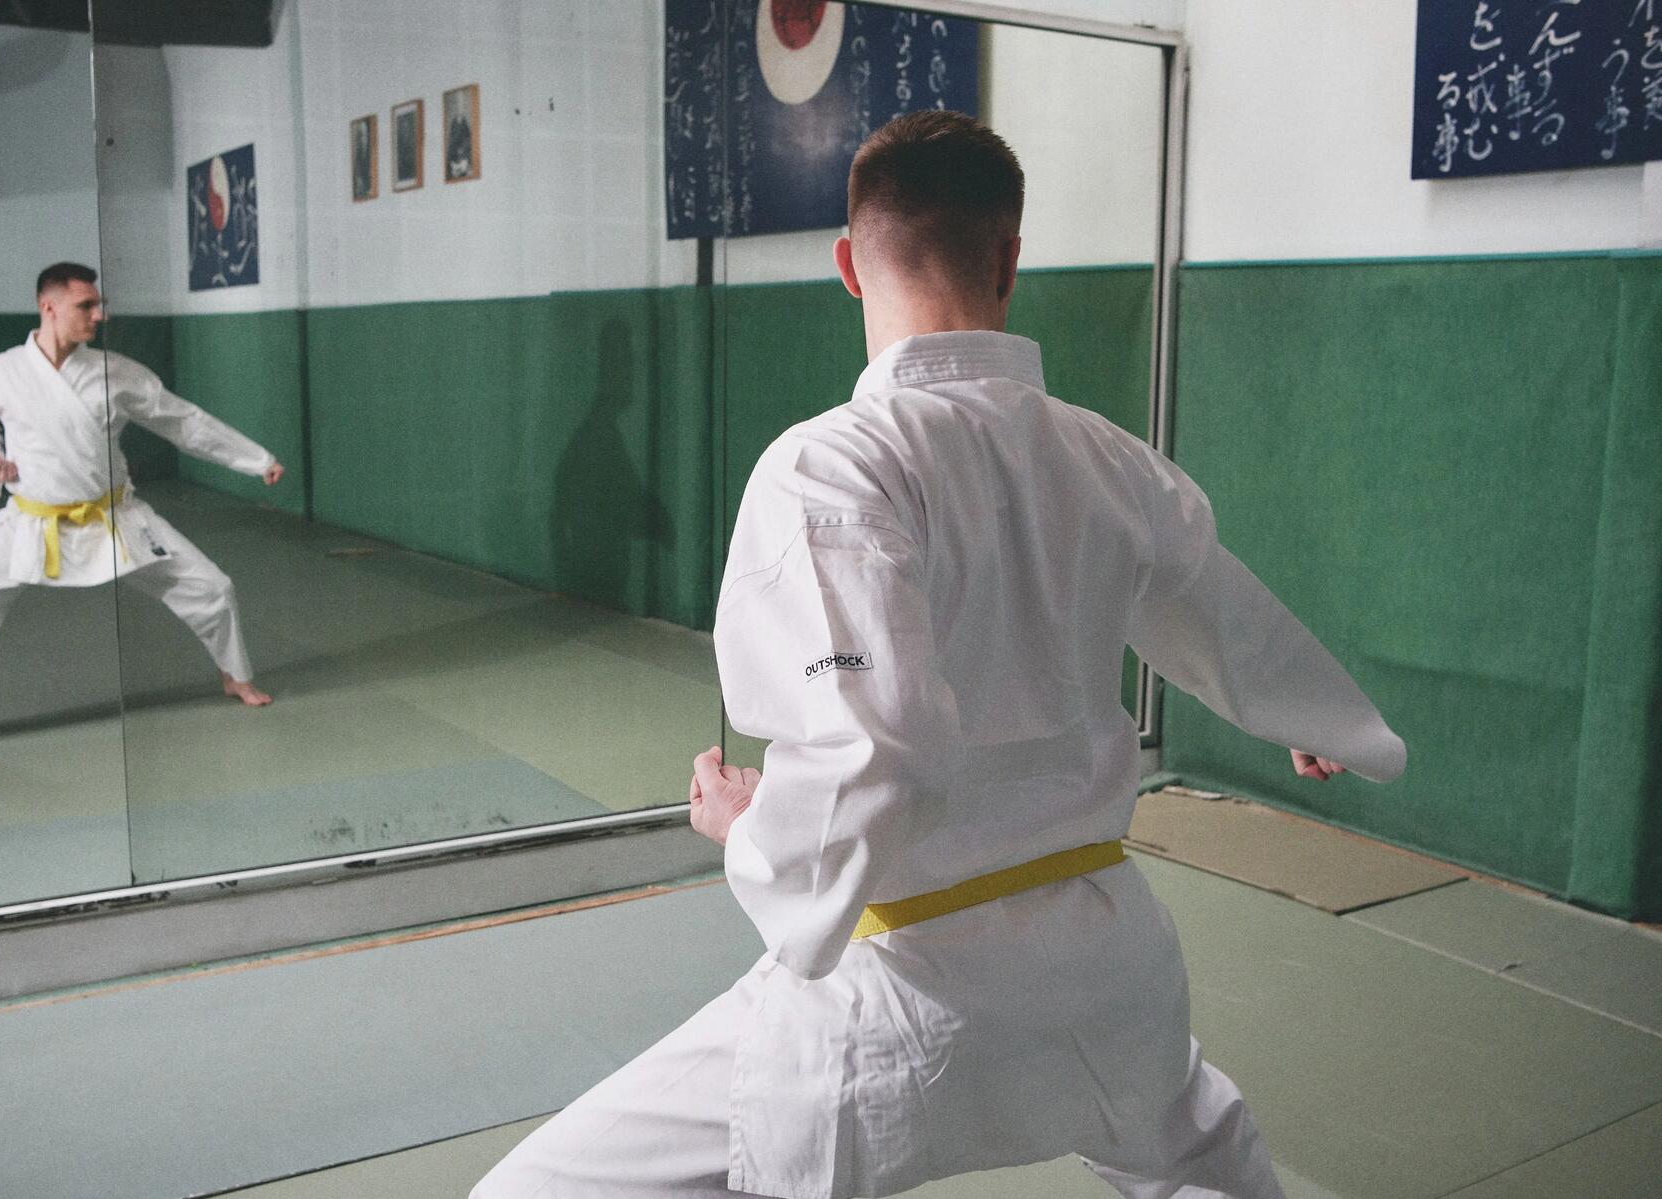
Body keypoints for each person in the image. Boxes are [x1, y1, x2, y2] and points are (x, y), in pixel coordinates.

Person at [472, 111, 1405, 1198]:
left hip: (903, 991)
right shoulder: (1112, 457)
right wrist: (1312, 721)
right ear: (1011, 255)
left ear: (845, 268)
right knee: (1197, 1151)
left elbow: (885, 745)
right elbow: (1228, 615)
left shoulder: (830, 465)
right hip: (1111, 969)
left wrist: (755, 829)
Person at [0, 262, 285, 757]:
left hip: (115, 518)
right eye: (86, 306)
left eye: (99, 305)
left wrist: (256, 460)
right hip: (32, 522)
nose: (98, 315)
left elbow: (184, 422)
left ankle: (235, 675)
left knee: (212, 587)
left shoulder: (116, 372)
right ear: (48, 307)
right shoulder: (2, 371)